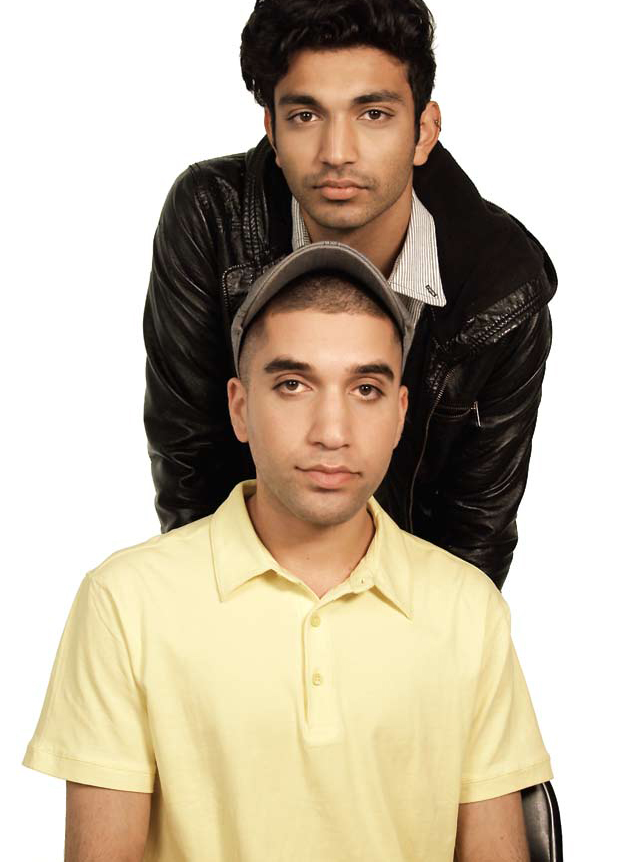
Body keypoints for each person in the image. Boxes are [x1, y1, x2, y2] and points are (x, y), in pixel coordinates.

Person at [24, 244, 552, 861]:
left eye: (366, 389)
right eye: (294, 384)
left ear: (401, 413)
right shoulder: (125, 602)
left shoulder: (468, 609)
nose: (332, 430)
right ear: (240, 407)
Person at [144, 0, 557, 589]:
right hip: (241, 588)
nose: (338, 151)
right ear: (273, 134)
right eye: (307, 114)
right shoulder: (211, 216)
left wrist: (409, 656)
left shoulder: (502, 284)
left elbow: (477, 529)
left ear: (423, 131)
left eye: (373, 113)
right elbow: (189, 463)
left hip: (400, 607)